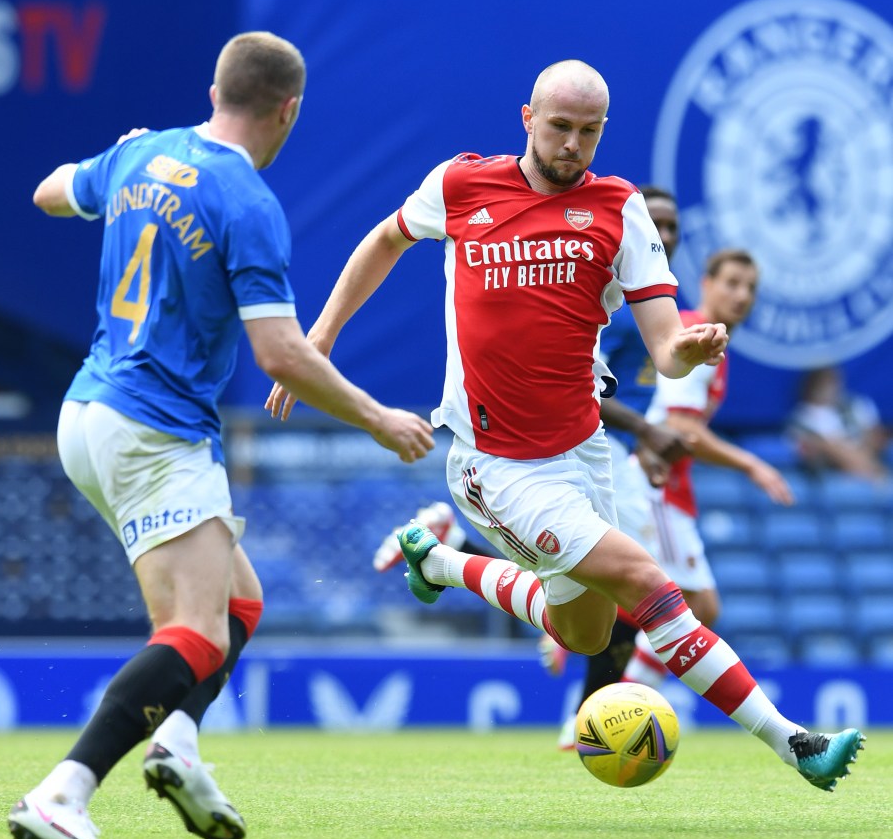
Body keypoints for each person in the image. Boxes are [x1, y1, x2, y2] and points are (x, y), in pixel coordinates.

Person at [268, 60, 864, 792]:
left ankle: (441, 563)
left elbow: (663, 348)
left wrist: (689, 345)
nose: (572, 144)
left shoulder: (619, 208)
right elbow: (385, 240)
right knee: (651, 583)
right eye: (559, 127)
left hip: (582, 454)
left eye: (589, 131)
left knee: (586, 631)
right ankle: (796, 741)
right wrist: (320, 338)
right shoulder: (461, 185)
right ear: (527, 118)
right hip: (496, 463)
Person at [9, 31, 435, 839]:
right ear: (290, 110)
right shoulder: (248, 202)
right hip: (154, 429)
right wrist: (379, 417)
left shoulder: (144, 155)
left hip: (86, 415)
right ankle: (65, 790)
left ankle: (178, 747)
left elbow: (49, 192)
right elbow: (280, 353)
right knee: (197, 633)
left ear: (213, 89)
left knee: (238, 604)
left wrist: (120, 161)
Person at [371, 186, 692, 749]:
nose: (663, 234)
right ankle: (593, 715)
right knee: (641, 588)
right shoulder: (613, 286)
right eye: (657, 222)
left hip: (617, 454)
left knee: (612, 603)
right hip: (592, 445)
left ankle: (455, 557)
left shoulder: (664, 301)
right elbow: (584, 377)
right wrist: (642, 433)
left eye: (673, 227)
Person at [620, 249, 795, 688]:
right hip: (653, 481)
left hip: (666, 482)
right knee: (697, 602)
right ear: (707, 283)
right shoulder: (698, 338)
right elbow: (681, 427)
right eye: (732, 283)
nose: (742, 295)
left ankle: (622, 701)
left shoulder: (707, 342)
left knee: (680, 604)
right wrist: (751, 463)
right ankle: (626, 703)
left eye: (751, 288)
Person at [787, 365, 889, 482]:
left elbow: (875, 434)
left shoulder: (855, 405)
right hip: (831, 464)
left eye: (833, 381)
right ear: (812, 386)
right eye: (823, 383)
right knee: (830, 445)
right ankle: (873, 473)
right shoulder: (801, 417)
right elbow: (808, 445)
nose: (829, 388)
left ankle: (869, 471)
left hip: (865, 452)